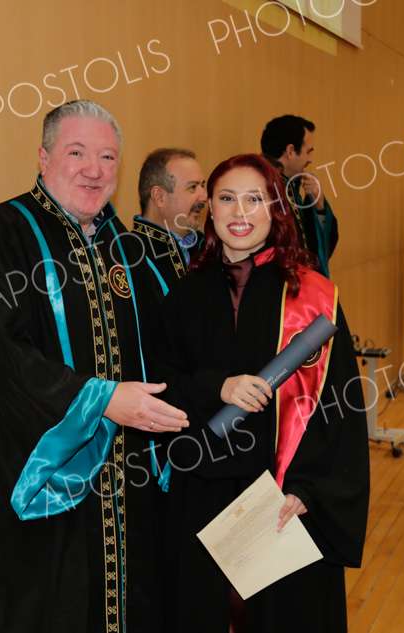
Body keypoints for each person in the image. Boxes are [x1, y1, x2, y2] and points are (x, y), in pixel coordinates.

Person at [0, 99, 189, 633]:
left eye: (107, 157)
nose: (94, 170)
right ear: (43, 158)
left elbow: (166, 343)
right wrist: (102, 399)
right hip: (23, 485)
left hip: (116, 485)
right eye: (77, 153)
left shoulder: (124, 248)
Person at [149, 154, 369, 632]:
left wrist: (309, 490)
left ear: (276, 209)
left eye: (255, 199)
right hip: (202, 489)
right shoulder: (185, 295)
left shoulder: (310, 296)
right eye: (227, 198)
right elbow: (160, 382)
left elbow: (340, 407)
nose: (240, 212)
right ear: (210, 209)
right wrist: (218, 386)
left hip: (281, 494)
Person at [261, 114, 338, 276]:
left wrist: (318, 206)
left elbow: (311, 246)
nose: (310, 159)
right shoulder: (262, 188)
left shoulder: (290, 186)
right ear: (290, 151)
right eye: (308, 151)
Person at [132, 148, 207, 296]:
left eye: (203, 186)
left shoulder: (207, 246)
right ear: (159, 197)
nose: (204, 196)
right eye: (193, 187)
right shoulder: (128, 255)